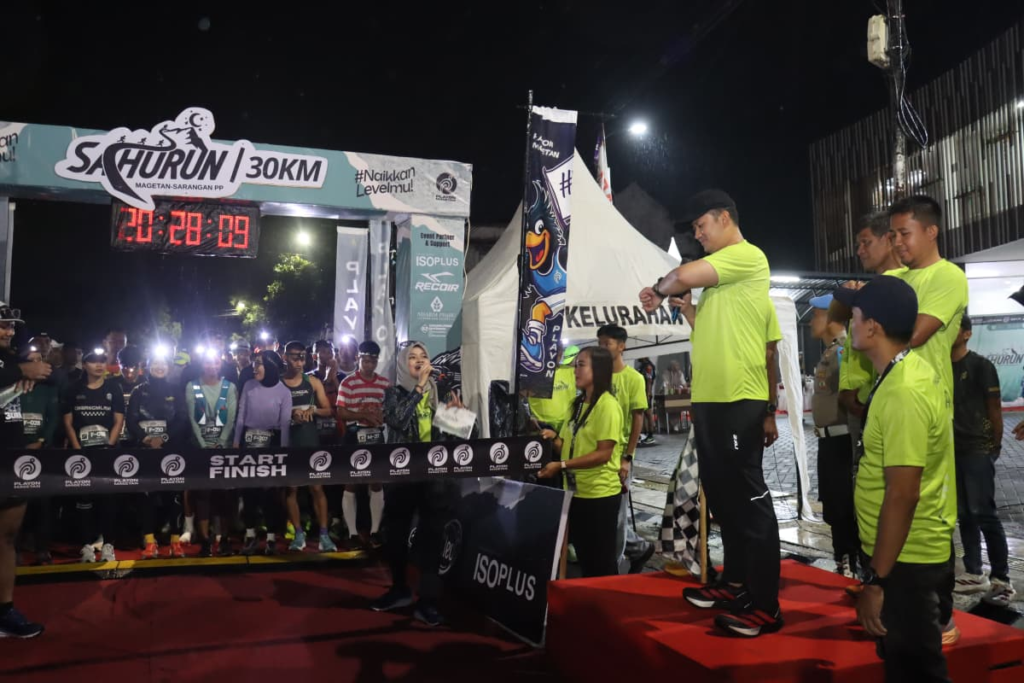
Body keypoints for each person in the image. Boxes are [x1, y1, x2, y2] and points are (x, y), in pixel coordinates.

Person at [640, 189, 782, 637]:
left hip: (739, 400)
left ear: (724, 218)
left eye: (700, 226)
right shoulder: (721, 284)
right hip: (711, 401)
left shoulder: (746, 256)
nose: (697, 235)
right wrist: (687, 311)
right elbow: (711, 330)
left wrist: (660, 289)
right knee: (721, 498)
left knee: (748, 500)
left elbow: (681, 274)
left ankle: (766, 605)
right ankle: (735, 583)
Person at [834, 276, 956, 683]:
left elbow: (903, 494)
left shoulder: (904, 390)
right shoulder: (898, 376)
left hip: (906, 562)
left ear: (873, 327)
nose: (849, 324)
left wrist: (876, 580)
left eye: (854, 315)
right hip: (901, 555)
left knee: (917, 672)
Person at [370, 342, 463, 627]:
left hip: (434, 478)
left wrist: (457, 417)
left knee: (433, 538)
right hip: (402, 477)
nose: (419, 361)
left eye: (424, 356)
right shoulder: (393, 393)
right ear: (402, 364)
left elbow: (457, 440)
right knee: (395, 535)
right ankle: (399, 589)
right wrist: (419, 388)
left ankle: (428, 602)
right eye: (412, 357)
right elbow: (397, 420)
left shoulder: (441, 392)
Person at [537, 346, 623, 576]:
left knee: (602, 563)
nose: (575, 371)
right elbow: (566, 447)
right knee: (586, 558)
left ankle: (608, 598)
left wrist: (561, 466)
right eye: (576, 365)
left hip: (600, 495)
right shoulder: (576, 405)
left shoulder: (608, 406)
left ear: (599, 369)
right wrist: (553, 438)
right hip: (576, 493)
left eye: (581, 365)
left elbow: (603, 454)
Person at [950, 317, 1014, 605]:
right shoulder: (941, 367)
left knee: (984, 513)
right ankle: (973, 572)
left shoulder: (981, 366)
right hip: (952, 450)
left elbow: (994, 408)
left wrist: (992, 447)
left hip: (978, 449)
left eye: (953, 326)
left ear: (966, 333)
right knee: (964, 513)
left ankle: (1002, 579)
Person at [0, 303, 50, 638]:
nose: (9, 331)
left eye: (11, 326)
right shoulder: (14, 365)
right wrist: (20, 371)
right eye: (2, 326)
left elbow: (50, 373)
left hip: (11, 458)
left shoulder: (13, 360)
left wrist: (23, 373)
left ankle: (4, 611)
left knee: (6, 537)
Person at [838, 212, 906, 453]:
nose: (860, 251)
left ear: (888, 239)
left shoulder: (902, 285)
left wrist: (859, 394)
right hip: (862, 400)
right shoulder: (872, 287)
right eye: (858, 245)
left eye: (866, 243)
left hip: (878, 398)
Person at [596, 325, 655, 574]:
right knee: (605, 513)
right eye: (600, 343)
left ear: (622, 346)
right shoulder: (598, 376)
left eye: (607, 343)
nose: (602, 348)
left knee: (618, 515)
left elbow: (638, 418)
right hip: (598, 452)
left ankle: (616, 565)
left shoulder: (634, 378)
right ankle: (638, 548)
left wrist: (627, 457)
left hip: (619, 455)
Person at [809, 294, 859, 579]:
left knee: (843, 506)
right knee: (832, 504)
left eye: (816, 314)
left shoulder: (842, 351)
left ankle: (851, 562)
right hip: (828, 441)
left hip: (841, 442)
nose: (811, 321)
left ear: (829, 317)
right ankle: (843, 560)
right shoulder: (831, 351)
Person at [63, 349, 125, 563]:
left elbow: (118, 421)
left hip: (107, 453)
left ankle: (108, 545)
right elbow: (68, 423)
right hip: (81, 453)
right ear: (84, 365)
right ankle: (86, 545)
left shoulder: (114, 388)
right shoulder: (73, 389)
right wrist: (77, 450)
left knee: (108, 499)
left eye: (102, 361)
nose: (99, 365)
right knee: (84, 500)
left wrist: (109, 447)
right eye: (93, 361)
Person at [127, 348, 189, 559]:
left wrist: (163, 438)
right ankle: (150, 542)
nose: (159, 367)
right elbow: (131, 420)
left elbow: (182, 419)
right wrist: (145, 439)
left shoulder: (176, 390)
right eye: (155, 363)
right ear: (148, 367)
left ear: (169, 367)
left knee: (173, 496)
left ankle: (175, 542)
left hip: (170, 449)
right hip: (145, 450)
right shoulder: (138, 391)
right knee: (147, 497)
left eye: (163, 364)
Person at [281, 341, 337, 553]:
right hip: (289, 442)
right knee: (292, 489)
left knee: (317, 488)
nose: (299, 361)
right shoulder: (279, 384)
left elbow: (329, 410)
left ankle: (324, 534)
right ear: (285, 357)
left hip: (310, 441)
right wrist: (291, 414)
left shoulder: (312, 382)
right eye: (294, 357)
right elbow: (269, 413)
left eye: (302, 357)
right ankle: (298, 534)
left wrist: (312, 410)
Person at [234, 350, 291, 555]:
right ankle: (250, 535)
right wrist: (236, 443)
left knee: (270, 494)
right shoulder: (249, 385)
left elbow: (285, 425)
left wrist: (283, 453)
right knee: (249, 491)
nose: (254, 368)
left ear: (271, 366)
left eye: (259, 364)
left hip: (272, 445)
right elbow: (241, 417)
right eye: (254, 363)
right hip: (248, 444)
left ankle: (271, 538)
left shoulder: (284, 392)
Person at [336, 341, 390, 549]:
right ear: (358, 358)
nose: (368, 365)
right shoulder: (348, 383)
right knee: (351, 482)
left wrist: (382, 416)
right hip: (354, 434)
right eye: (365, 360)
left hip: (376, 435)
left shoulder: (384, 384)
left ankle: (375, 531)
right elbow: (341, 412)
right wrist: (363, 415)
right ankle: (352, 532)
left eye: (372, 361)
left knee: (376, 482)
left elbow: (389, 411)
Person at [186, 348, 238, 557]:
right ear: (202, 364)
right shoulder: (192, 386)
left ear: (221, 364)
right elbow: (192, 419)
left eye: (216, 362)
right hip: (200, 449)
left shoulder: (230, 387)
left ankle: (224, 539)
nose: (212, 366)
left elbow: (231, 418)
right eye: (208, 362)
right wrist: (203, 445)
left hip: (223, 449)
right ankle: (205, 541)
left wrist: (221, 443)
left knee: (224, 495)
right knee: (202, 495)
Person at [18, 345, 60, 565]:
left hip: (43, 452)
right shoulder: (11, 388)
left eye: (39, 359)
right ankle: (16, 547)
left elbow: (53, 418)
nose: (36, 364)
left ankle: (42, 548)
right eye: (31, 360)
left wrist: (42, 441)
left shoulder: (48, 390)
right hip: (15, 452)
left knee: (43, 502)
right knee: (17, 503)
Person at [528, 345, 580, 435]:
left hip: (567, 424)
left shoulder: (572, 372)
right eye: (550, 352)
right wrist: (530, 418)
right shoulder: (532, 374)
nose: (554, 355)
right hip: (542, 426)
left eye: (558, 352)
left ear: (561, 353)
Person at [310, 339, 341, 408]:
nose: (329, 355)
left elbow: (344, 400)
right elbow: (316, 402)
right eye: (324, 352)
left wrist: (334, 378)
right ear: (314, 356)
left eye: (330, 352)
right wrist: (327, 379)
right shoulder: (309, 377)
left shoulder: (341, 376)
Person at [635, 357, 657, 444]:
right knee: (644, 413)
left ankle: (650, 435)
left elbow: (649, 381)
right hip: (642, 392)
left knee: (648, 413)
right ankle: (643, 434)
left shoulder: (648, 366)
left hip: (645, 393)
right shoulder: (642, 365)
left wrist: (648, 394)